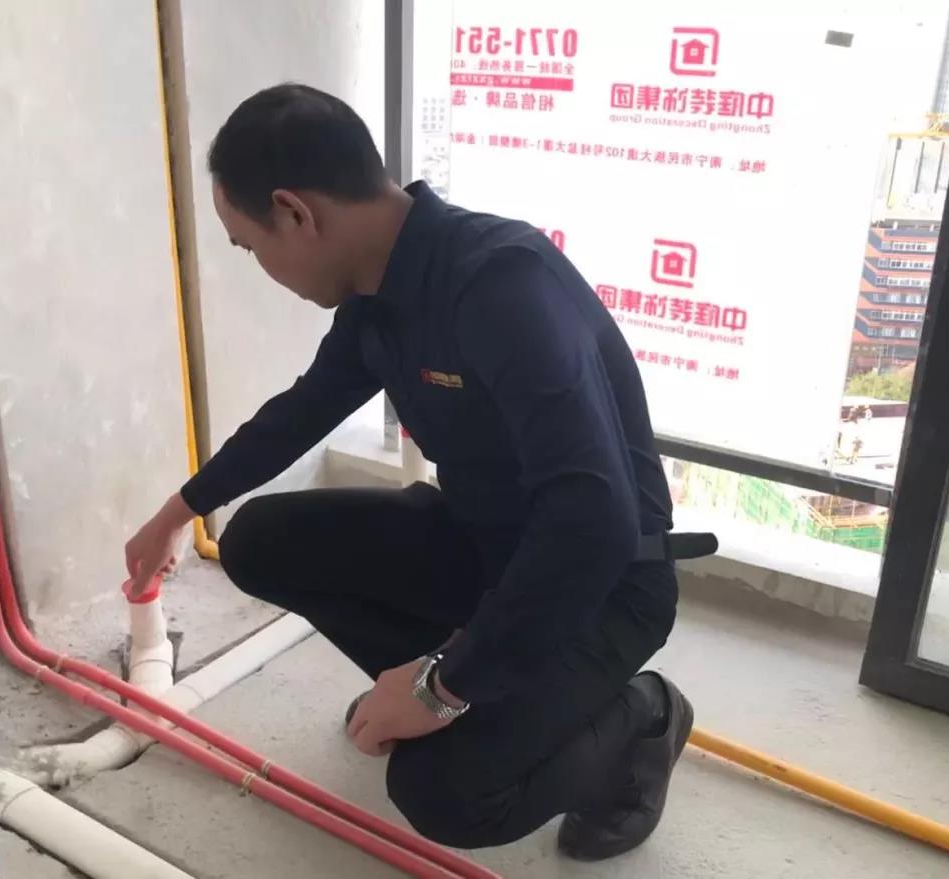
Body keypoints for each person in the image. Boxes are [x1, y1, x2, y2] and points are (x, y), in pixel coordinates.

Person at [125, 83, 691, 860]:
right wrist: (178, 511)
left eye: (250, 247)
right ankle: (458, 677)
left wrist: (441, 687)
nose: (261, 267)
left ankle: (645, 718)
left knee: (444, 793)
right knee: (256, 541)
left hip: (605, 582)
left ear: (295, 212)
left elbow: (592, 524)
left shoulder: (501, 283)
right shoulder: (377, 294)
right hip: (484, 544)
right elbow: (304, 409)